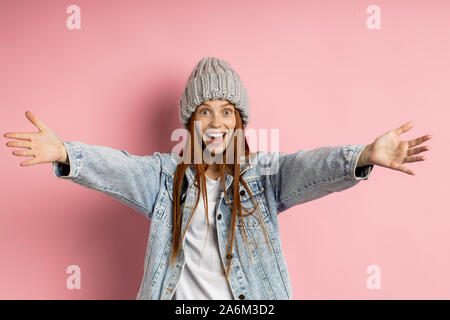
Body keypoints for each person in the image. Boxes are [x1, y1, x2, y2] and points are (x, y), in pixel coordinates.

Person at [4, 57, 432, 300]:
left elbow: (309, 166)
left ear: (239, 123)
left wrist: (361, 155)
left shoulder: (264, 177)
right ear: (190, 121)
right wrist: (66, 153)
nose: (215, 121)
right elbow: (117, 167)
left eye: (227, 111)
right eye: (204, 110)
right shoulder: (163, 178)